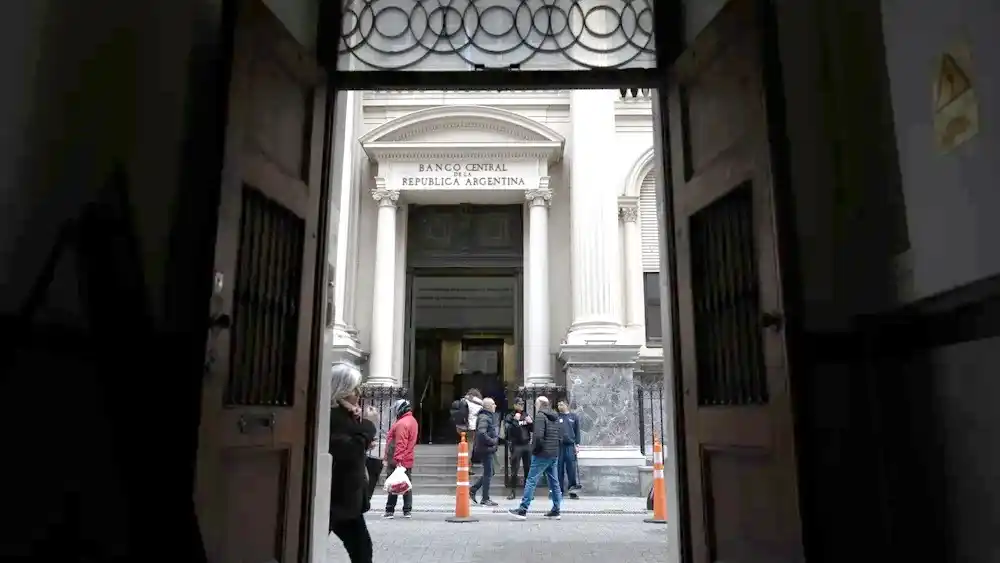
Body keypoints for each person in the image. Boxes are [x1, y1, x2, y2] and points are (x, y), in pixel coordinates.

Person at [327, 363, 377, 563]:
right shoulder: (332, 417)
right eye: (354, 389)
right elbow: (348, 450)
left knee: (362, 550)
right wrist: (369, 424)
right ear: (341, 389)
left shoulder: (347, 416)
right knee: (362, 551)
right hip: (337, 498)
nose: (358, 394)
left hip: (347, 499)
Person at [508, 396, 563, 520]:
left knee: (531, 480)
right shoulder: (555, 415)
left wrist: (535, 450)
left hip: (542, 454)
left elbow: (538, 436)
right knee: (554, 481)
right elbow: (560, 435)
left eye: (536, 404)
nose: (535, 406)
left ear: (540, 404)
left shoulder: (540, 416)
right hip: (553, 453)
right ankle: (556, 509)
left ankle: (523, 509)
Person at [383, 398, 418, 518]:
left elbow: (400, 443)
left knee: (394, 484)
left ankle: (389, 510)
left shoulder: (402, 423)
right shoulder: (412, 420)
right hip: (407, 458)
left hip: (398, 459)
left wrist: (397, 460)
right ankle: (407, 510)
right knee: (405, 484)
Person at [469, 397, 499, 506]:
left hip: (486, 449)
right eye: (493, 404)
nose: (495, 406)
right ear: (488, 406)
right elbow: (481, 433)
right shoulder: (484, 417)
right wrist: (492, 441)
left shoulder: (487, 416)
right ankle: (485, 498)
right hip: (485, 449)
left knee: (491, 472)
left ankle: (473, 489)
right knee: (488, 473)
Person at [503, 398, 533, 500]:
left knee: (528, 468)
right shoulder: (510, 416)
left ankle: (528, 493)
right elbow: (507, 430)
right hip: (516, 445)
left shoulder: (526, 415)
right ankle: (512, 491)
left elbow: (533, 429)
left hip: (526, 444)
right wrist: (515, 420)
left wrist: (530, 423)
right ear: (515, 405)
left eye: (522, 404)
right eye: (519, 404)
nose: (521, 406)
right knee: (514, 469)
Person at [556, 399, 583, 499]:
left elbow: (577, 431)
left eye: (561, 404)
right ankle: (559, 491)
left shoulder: (573, 417)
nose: (559, 406)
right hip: (559, 447)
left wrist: (577, 445)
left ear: (566, 405)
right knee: (559, 469)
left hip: (570, 446)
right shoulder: (556, 417)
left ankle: (572, 491)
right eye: (558, 405)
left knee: (571, 469)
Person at [363, 406, 383, 504]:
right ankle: (366, 499)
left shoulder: (370, 427)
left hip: (373, 457)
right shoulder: (367, 427)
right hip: (367, 457)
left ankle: (366, 499)